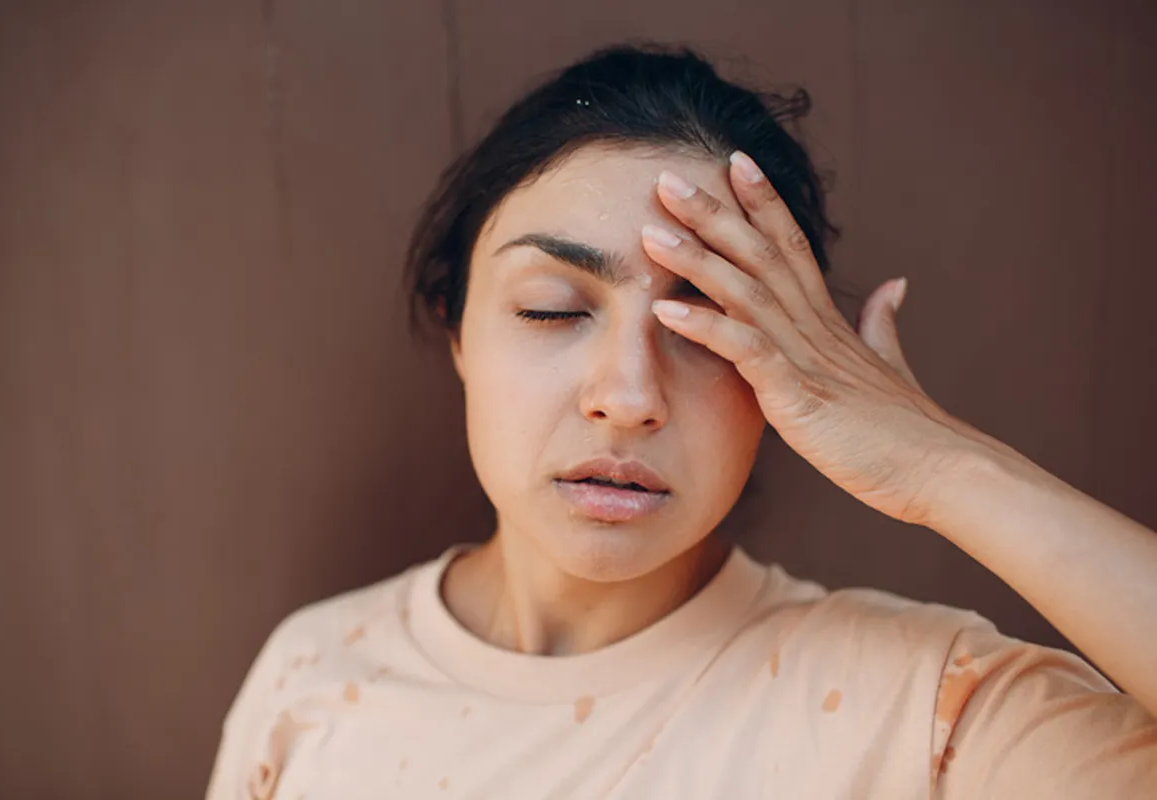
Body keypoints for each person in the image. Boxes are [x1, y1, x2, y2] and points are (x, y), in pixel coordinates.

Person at [205, 43, 1157, 798]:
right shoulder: (315, 678)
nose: (628, 394)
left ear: (788, 371)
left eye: (705, 324)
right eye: (551, 309)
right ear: (459, 333)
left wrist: (946, 469)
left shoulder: (922, 709)